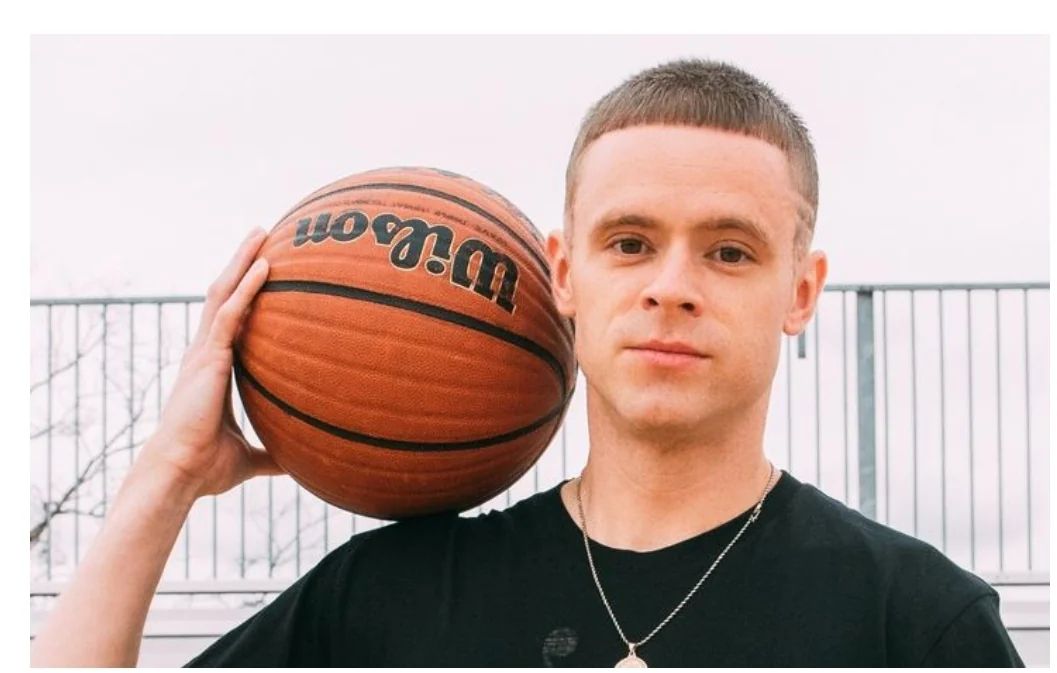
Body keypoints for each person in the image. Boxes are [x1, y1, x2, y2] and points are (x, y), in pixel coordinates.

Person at [30, 59, 1025, 668]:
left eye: (729, 251)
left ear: (800, 291)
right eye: (629, 242)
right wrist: (166, 477)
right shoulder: (390, 595)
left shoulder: (915, 621)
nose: (670, 286)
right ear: (564, 272)